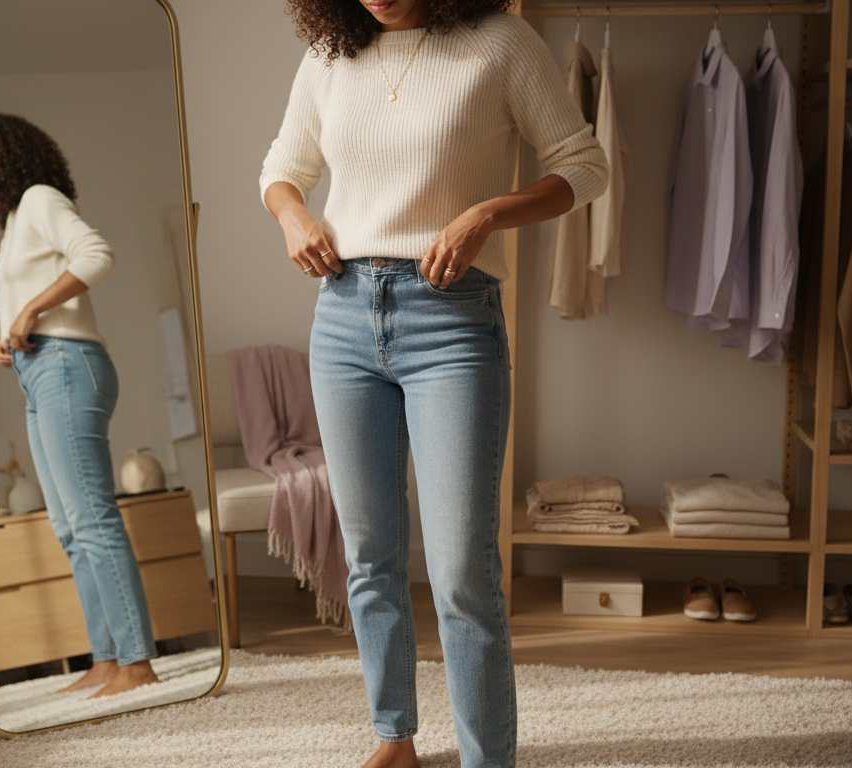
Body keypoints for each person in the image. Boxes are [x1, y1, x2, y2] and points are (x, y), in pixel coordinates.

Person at [261, 1, 608, 765]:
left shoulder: (500, 42)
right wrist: (294, 218)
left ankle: (490, 758)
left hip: (452, 320)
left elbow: (586, 166)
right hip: (344, 319)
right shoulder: (329, 56)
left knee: (460, 569)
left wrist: (486, 214)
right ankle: (395, 738)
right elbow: (282, 170)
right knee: (370, 555)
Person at [0, 113, 159, 698]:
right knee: (69, 528)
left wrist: (31, 311)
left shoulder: (39, 198)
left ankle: (138, 662)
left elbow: (95, 253)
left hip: (69, 366)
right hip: (40, 371)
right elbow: (26, 301)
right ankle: (107, 660)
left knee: (91, 517)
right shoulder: (15, 222)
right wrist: (9, 335)